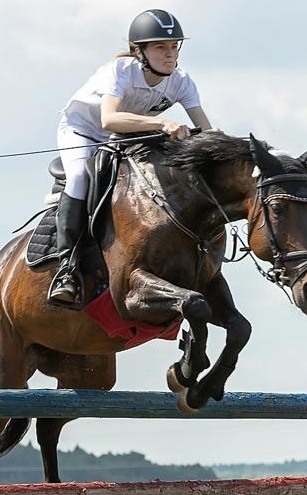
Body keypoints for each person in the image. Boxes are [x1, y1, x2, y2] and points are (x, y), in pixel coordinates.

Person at [46, 9, 214, 307]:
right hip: (83, 130)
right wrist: (162, 124)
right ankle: (66, 270)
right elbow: (108, 120)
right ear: (139, 51)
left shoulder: (182, 81)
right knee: (81, 177)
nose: (170, 54)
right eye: (161, 47)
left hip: (127, 135)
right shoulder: (121, 71)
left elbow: (206, 130)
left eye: (174, 46)